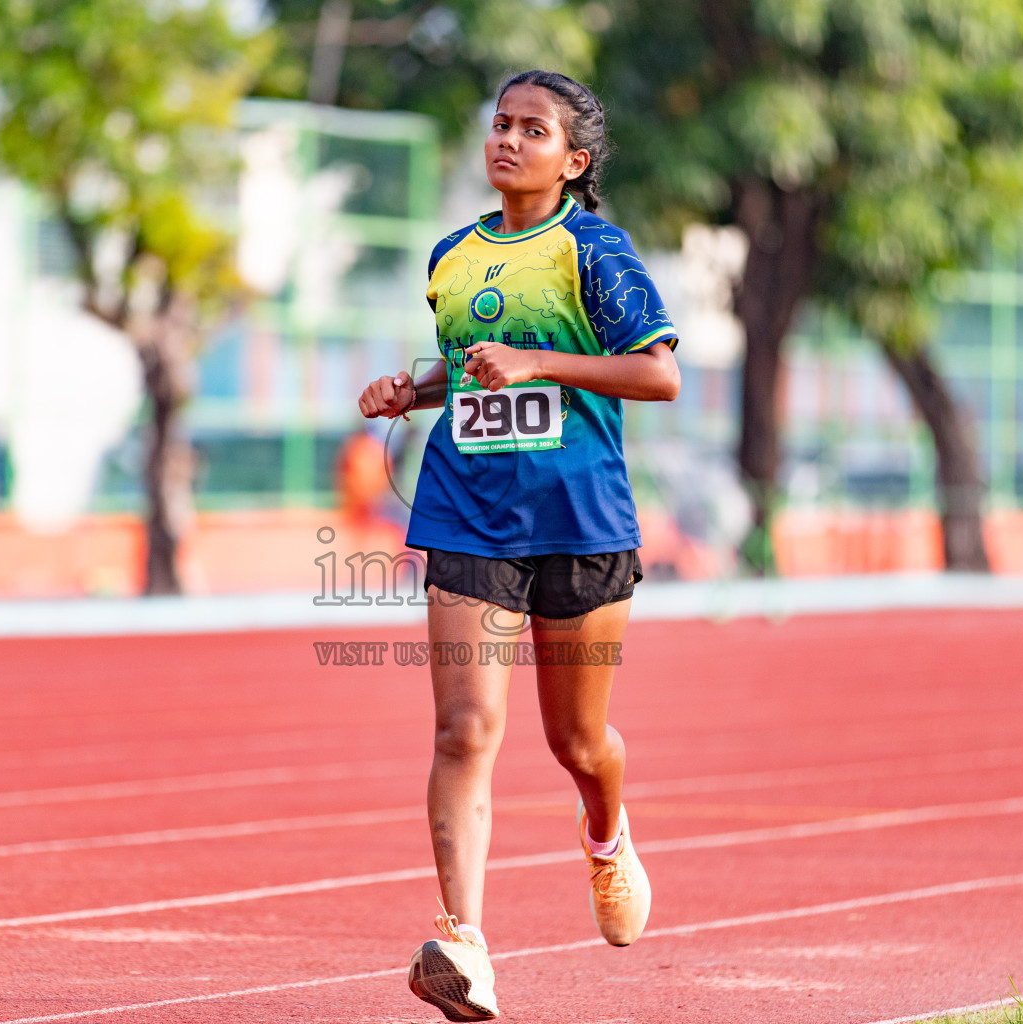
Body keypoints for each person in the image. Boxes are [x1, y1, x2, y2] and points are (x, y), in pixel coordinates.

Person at [357, 69, 681, 1021]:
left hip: (578, 521)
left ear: (573, 161)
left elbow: (658, 377)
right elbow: (470, 373)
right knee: (464, 730)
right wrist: (408, 393)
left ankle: (607, 832)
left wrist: (540, 359)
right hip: (468, 512)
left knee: (576, 740)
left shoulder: (596, 251)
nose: (507, 140)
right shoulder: (451, 257)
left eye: (532, 130)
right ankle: (464, 944)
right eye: (501, 124)